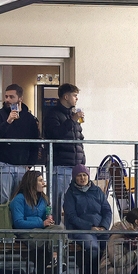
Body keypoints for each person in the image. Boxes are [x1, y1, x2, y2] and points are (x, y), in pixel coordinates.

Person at [0, 83, 41, 205]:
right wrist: (8, 121)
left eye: (11, 97)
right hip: (1, 163)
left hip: (21, 165)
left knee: (19, 200)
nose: (7, 100)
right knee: (3, 201)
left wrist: (30, 164)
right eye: (6, 96)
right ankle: (3, 224)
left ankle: (17, 224)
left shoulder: (29, 118)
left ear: (20, 98)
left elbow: (35, 142)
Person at [43, 82, 85, 222]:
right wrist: (72, 121)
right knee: (58, 199)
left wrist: (82, 162)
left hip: (75, 166)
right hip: (60, 165)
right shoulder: (52, 114)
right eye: (74, 95)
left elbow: (79, 139)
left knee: (73, 201)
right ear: (66, 97)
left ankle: (70, 231)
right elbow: (54, 134)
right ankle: (56, 230)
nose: (76, 98)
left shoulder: (72, 116)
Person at [9, 169, 62, 274]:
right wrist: (41, 222)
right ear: (32, 182)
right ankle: (58, 265)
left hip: (41, 232)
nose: (44, 183)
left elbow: (44, 219)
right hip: (27, 234)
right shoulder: (19, 199)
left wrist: (48, 220)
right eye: (40, 180)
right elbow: (18, 222)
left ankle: (56, 263)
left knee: (60, 229)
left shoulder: (43, 199)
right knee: (58, 232)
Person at [63, 163, 113, 274]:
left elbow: (107, 211)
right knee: (93, 248)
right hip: (80, 230)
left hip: (100, 229)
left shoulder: (97, 191)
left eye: (84, 175)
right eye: (79, 175)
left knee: (111, 246)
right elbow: (71, 216)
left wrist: (104, 226)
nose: (82, 178)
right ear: (74, 177)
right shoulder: (70, 194)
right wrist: (89, 227)